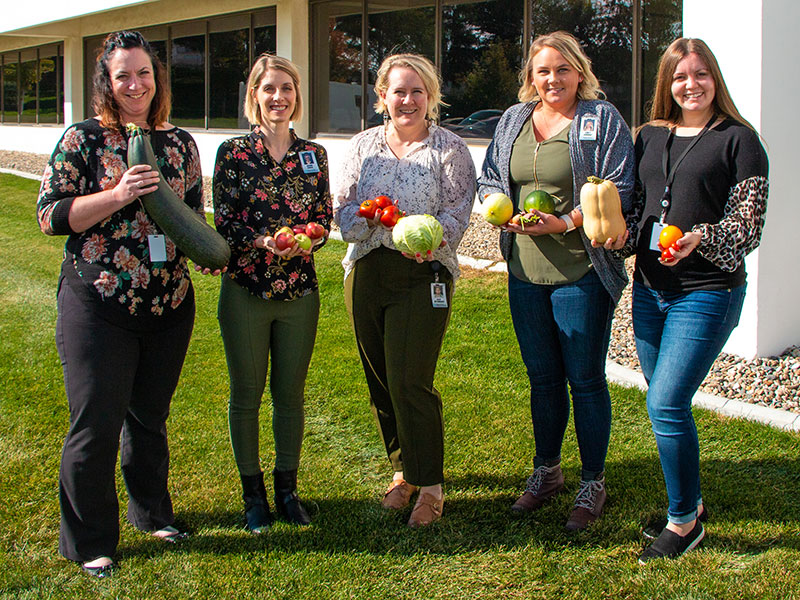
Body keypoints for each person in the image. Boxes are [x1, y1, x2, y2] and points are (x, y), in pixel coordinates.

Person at [36, 30, 219, 578]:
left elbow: (189, 214)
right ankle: (90, 539)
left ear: (156, 77)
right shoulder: (84, 140)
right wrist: (116, 195)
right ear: (107, 83)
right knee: (95, 421)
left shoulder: (180, 143)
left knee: (149, 419)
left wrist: (203, 250)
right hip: (99, 301)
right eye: (123, 76)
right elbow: (50, 215)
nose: (135, 84)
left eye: (143, 73)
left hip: (168, 304)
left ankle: (152, 513)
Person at [477, 31, 634, 531]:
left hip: (581, 272)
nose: (553, 79)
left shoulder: (600, 119)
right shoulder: (513, 120)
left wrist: (566, 222)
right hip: (524, 270)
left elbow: (620, 185)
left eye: (562, 69)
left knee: (584, 379)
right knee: (542, 377)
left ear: (579, 72)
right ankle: (546, 472)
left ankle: (593, 481)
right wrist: (500, 212)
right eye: (543, 71)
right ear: (531, 77)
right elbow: (491, 181)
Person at [631, 38, 768, 564]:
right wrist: (613, 233)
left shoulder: (739, 140)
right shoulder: (649, 136)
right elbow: (638, 204)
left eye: (701, 74)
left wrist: (699, 238)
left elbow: (747, 225)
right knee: (668, 402)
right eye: (680, 76)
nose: (691, 85)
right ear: (667, 83)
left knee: (664, 403)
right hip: (650, 291)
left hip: (708, 292)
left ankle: (684, 522)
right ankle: (692, 502)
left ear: (715, 79)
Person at [333, 53, 475, 528]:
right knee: (380, 381)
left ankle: (430, 484)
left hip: (424, 272)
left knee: (410, 379)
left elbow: (458, 213)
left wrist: (430, 237)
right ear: (382, 98)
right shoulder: (362, 146)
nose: (407, 100)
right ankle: (404, 471)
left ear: (431, 96)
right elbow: (345, 215)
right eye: (398, 91)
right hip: (368, 271)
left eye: (417, 91)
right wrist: (370, 216)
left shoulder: (449, 149)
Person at [213, 54, 332, 532]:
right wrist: (263, 241)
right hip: (246, 288)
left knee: (290, 395)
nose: (278, 97)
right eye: (268, 88)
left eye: (286, 88)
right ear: (254, 96)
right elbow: (223, 220)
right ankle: (252, 495)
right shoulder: (233, 152)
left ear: (296, 95)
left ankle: (287, 490)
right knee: (246, 394)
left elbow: (323, 214)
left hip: (299, 291)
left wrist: (314, 235)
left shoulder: (315, 154)